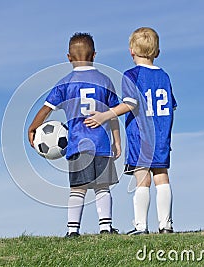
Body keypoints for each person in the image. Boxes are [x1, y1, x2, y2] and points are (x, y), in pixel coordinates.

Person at [84, 27, 177, 235]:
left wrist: (104, 116)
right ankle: (166, 225)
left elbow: (129, 103)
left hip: (141, 137)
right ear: (157, 52)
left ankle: (140, 226)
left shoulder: (131, 75)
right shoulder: (164, 76)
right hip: (161, 136)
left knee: (142, 178)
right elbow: (171, 106)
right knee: (162, 176)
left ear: (131, 51)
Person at [28, 32, 121, 237]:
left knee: (78, 189)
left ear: (68, 57)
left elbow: (46, 109)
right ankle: (105, 227)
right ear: (94, 55)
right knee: (103, 187)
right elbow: (113, 114)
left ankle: (72, 231)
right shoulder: (105, 80)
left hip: (78, 144)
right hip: (102, 144)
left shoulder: (65, 82)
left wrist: (32, 128)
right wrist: (117, 140)